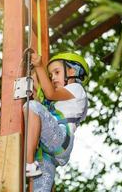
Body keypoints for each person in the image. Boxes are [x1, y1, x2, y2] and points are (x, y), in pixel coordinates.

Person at [24, 52, 89, 191]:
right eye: (51, 75)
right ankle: (32, 166)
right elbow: (42, 106)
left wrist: (39, 66)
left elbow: (50, 94)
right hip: (50, 152)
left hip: (61, 139)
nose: (53, 78)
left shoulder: (77, 89)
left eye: (57, 72)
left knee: (32, 107)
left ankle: (29, 163)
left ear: (72, 71)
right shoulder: (58, 101)